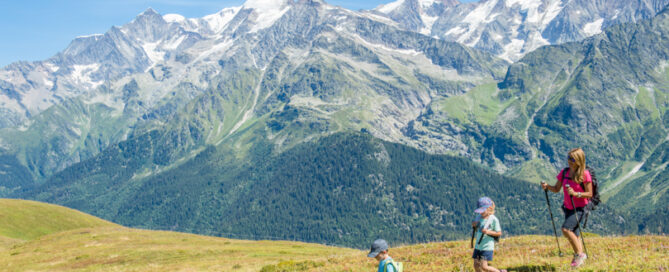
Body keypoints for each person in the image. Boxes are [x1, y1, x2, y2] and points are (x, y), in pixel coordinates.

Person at [541, 148, 593, 268]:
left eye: (572, 159)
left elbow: (590, 194)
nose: (569, 161)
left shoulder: (585, 174)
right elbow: (556, 188)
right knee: (574, 234)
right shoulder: (565, 172)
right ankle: (579, 261)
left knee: (566, 229)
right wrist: (547, 186)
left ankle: (580, 255)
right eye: (568, 158)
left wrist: (576, 194)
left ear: (579, 160)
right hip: (568, 207)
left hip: (580, 208)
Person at [471, 197, 506, 272]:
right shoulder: (478, 217)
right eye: (480, 211)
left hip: (487, 247)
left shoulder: (493, 219)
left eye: (483, 211)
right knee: (476, 266)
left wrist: (488, 232)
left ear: (489, 208)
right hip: (478, 246)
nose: (481, 213)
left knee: (484, 267)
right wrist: (474, 226)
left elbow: (499, 233)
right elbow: (477, 230)